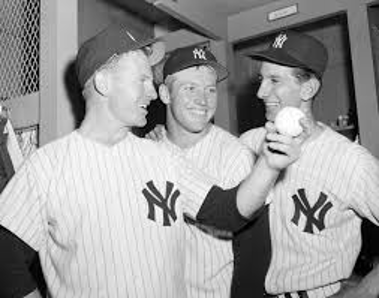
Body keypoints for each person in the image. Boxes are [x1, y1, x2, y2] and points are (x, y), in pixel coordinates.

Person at [0, 23, 304, 298]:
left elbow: (227, 212)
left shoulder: (162, 155)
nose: (153, 92)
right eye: (142, 79)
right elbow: (6, 262)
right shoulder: (46, 166)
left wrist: (268, 165)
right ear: (104, 83)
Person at [240, 30, 379, 298]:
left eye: (274, 80)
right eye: (262, 79)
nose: (260, 91)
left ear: (308, 88)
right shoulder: (248, 143)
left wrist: (361, 292)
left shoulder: (350, 160)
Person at [154, 45, 254, 298]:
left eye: (210, 89)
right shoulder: (147, 150)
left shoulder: (233, 155)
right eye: (190, 88)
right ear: (165, 94)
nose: (203, 100)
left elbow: (252, 250)